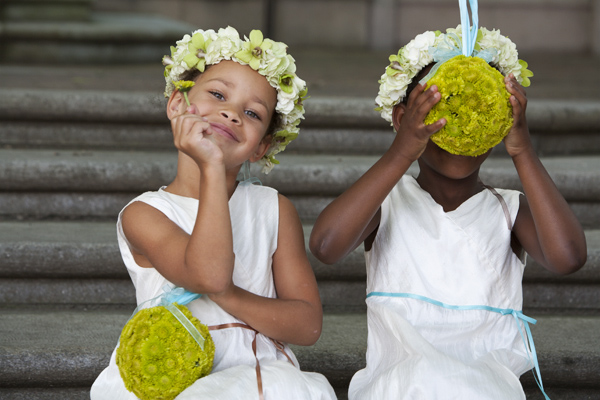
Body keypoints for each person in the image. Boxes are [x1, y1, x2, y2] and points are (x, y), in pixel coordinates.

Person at [309, 24, 587, 400]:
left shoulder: (509, 210)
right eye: (444, 109)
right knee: (423, 377)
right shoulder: (385, 203)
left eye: (479, 113)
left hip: (485, 383)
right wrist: (402, 150)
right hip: (400, 382)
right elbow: (326, 246)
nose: (460, 126)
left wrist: (522, 149)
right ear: (401, 119)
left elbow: (568, 257)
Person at [91, 27, 336, 400]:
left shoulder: (274, 210)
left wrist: (231, 296)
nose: (231, 113)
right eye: (218, 94)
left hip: (261, 375)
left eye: (252, 113)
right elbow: (208, 274)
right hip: (175, 374)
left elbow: (307, 325)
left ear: (262, 147)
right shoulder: (144, 214)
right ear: (177, 105)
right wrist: (211, 168)